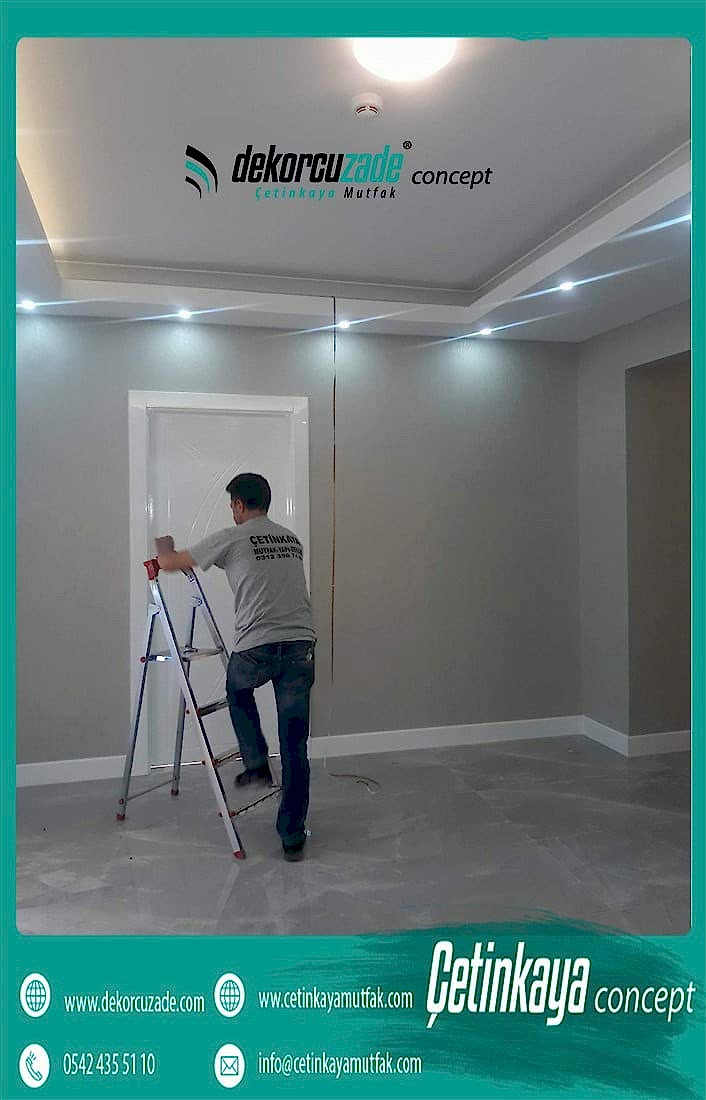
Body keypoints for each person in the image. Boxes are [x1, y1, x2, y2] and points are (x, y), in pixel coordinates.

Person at [155, 472, 316, 862]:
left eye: (232, 505)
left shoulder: (232, 537)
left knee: (238, 689)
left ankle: (256, 761)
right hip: (301, 645)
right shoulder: (290, 539)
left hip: (258, 646)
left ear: (240, 505)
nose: (232, 511)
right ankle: (292, 837)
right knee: (295, 745)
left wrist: (163, 544)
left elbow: (169, 563)